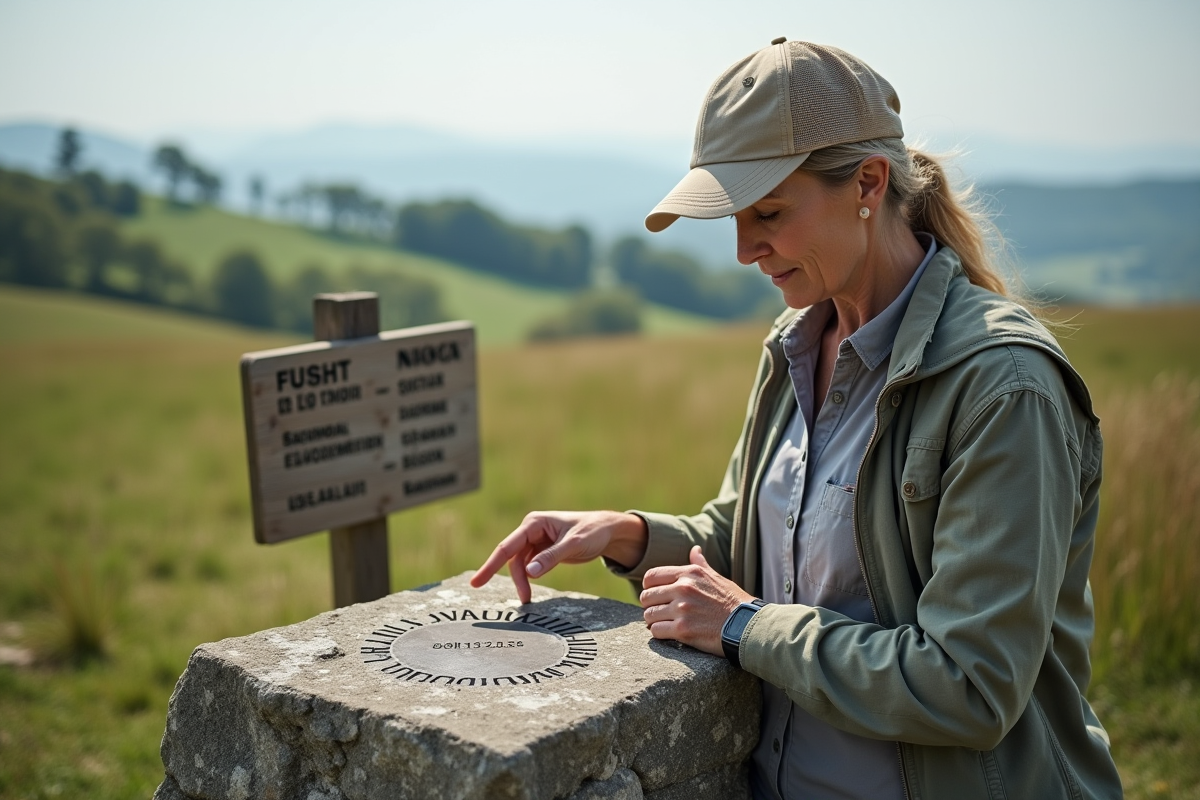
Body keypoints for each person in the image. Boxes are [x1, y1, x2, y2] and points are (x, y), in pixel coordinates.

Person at [471, 39, 1122, 800]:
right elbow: (762, 542)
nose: (746, 250)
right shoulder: (793, 346)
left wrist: (748, 628)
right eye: (735, 219)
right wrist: (630, 533)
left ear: (868, 184)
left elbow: (971, 686)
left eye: (770, 213)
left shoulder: (1004, 389)